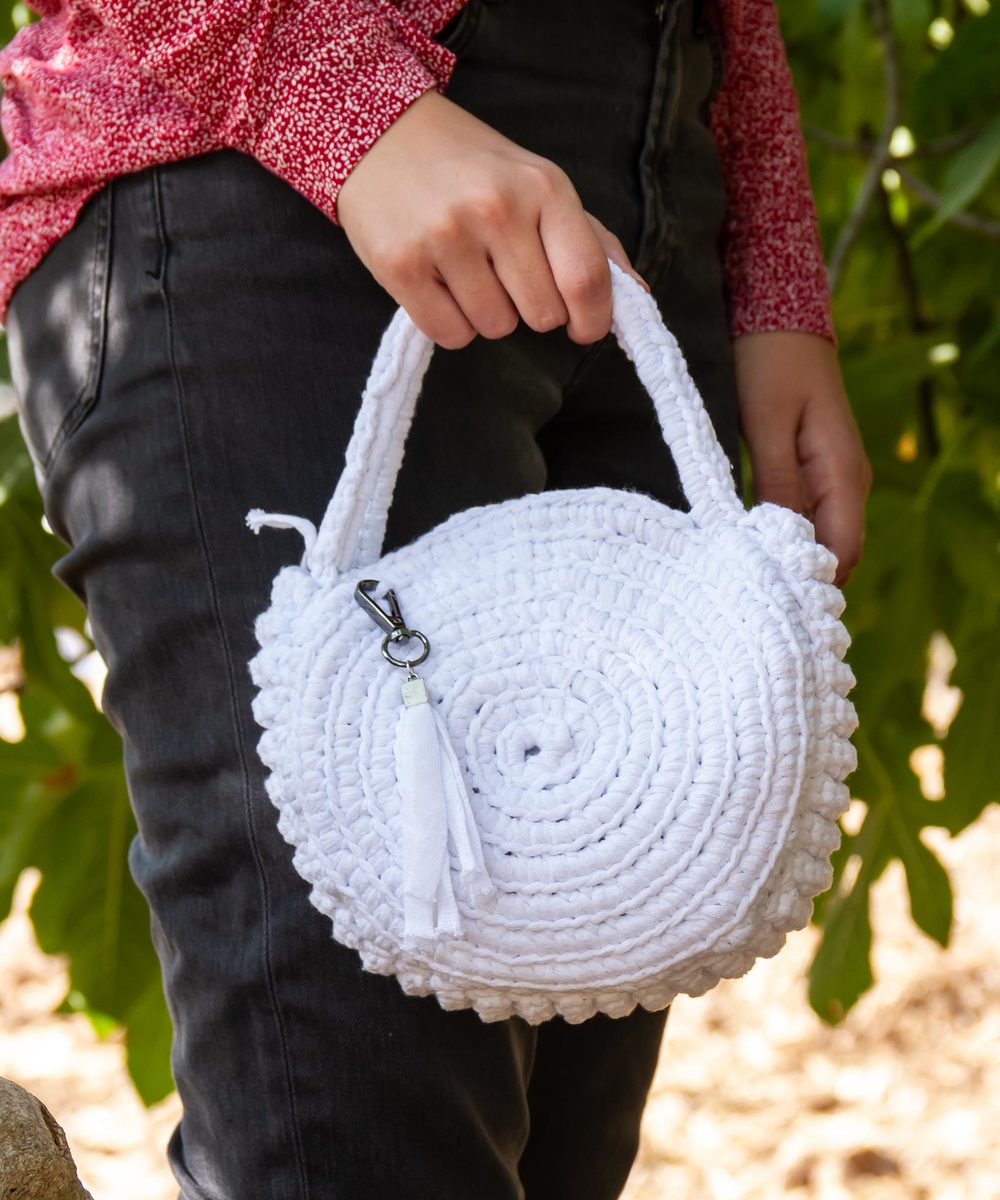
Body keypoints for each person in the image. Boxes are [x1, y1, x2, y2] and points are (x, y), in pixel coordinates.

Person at [0, 0, 872, 1196]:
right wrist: (341, 102)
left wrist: (770, 276)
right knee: (370, 1150)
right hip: (273, 173)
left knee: (561, 1146)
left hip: (641, 194)